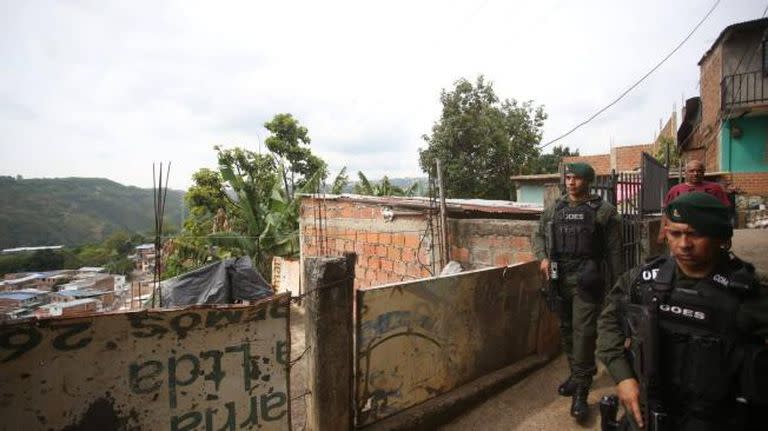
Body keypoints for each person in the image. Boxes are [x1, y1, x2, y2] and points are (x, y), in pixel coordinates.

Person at [597, 192, 768, 430]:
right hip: (651, 412)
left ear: (721, 238)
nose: (684, 244)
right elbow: (609, 323)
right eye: (675, 233)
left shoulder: (749, 292)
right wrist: (623, 377)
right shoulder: (641, 281)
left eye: (695, 234)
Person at [532, 162, 623, 421]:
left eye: (577, 178)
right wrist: (542, 258)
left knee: (584, 333)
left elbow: (615, 253)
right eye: (569, 177)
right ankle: (577, 373)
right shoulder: (555, 208)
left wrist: (617, 289)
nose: (571, 182)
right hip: (559, 279)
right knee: (566, 329)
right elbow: (538, 235)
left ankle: (581, 390)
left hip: (587, 279)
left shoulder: (603, 212)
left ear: (589, 181)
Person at [656, 159, 730, 244]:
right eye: (692, 171)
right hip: (683, 234)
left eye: (699, 171)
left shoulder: (715, 188)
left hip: (709, 234)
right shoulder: (675, 190)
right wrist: (662, 234)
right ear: (686, 173)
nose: (695, 174)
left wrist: (727, 234)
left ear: (703, 172)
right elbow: (666, 213)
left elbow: (724, 211)